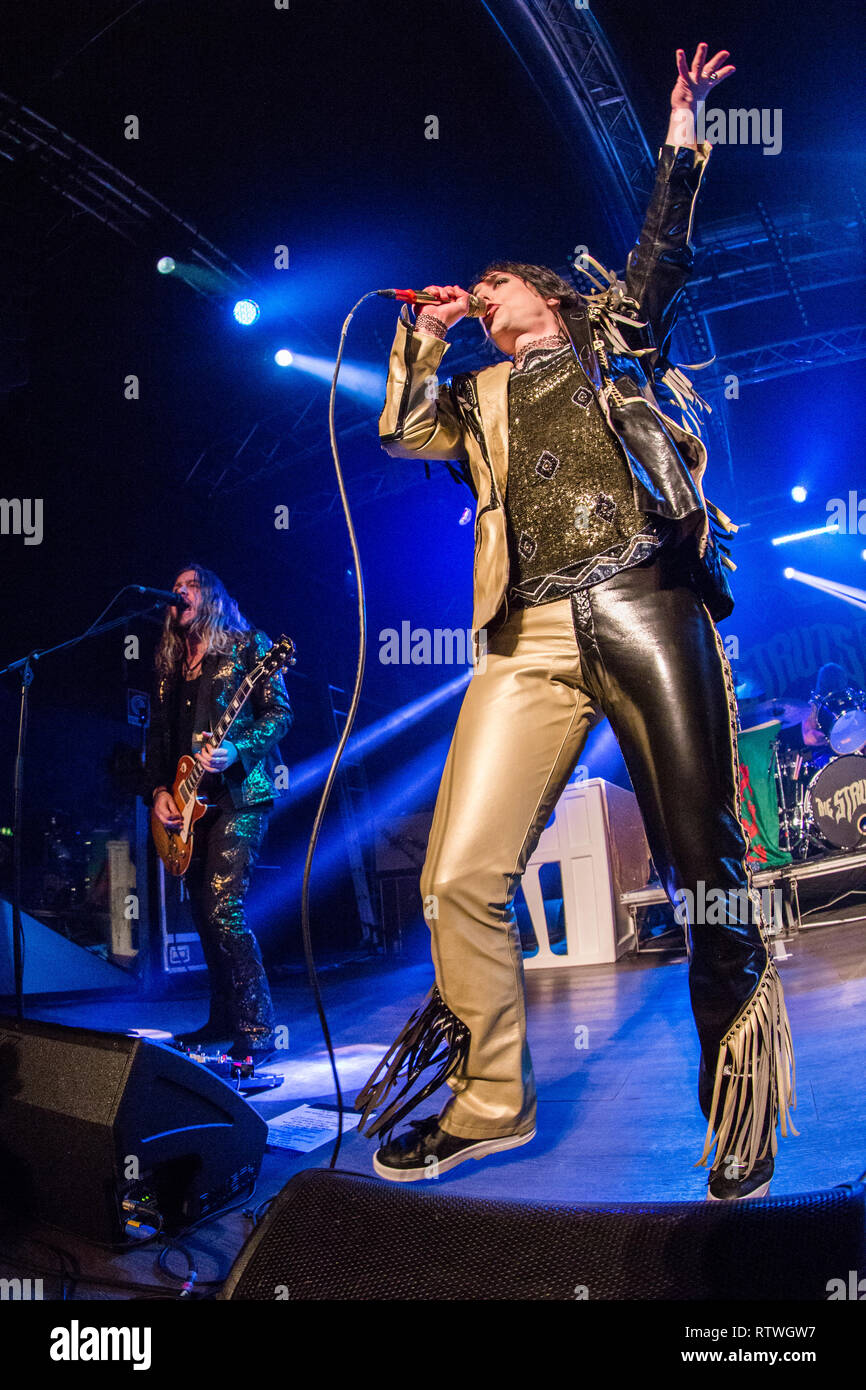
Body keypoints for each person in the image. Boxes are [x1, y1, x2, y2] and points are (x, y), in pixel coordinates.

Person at [356, 44, 796, 1200]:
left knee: (702, 859)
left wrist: (683, 129)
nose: (478, 298)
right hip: (528, 637)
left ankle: (737, 1097)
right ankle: (490, 1100)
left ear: (542, 292)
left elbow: (663, 248)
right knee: (457, 873)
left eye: (491, 288)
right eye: (473, 298)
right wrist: (426, 335)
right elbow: (402, 433)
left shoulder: (611, 334)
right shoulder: (475, 395)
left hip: (643, 597)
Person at [144, 564, 292, 1062]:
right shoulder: (170, 666)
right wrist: (159, 791)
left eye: (190, 585)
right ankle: (223, 1018)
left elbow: (280, 713)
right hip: (188, 806)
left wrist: (238, 748)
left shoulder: (250, 644)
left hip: (240, 796)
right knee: (203, 918)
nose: (179, 592)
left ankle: (258, 1027)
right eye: (176, 588)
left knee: (222, 908)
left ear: (211, 595)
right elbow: (159, 739)